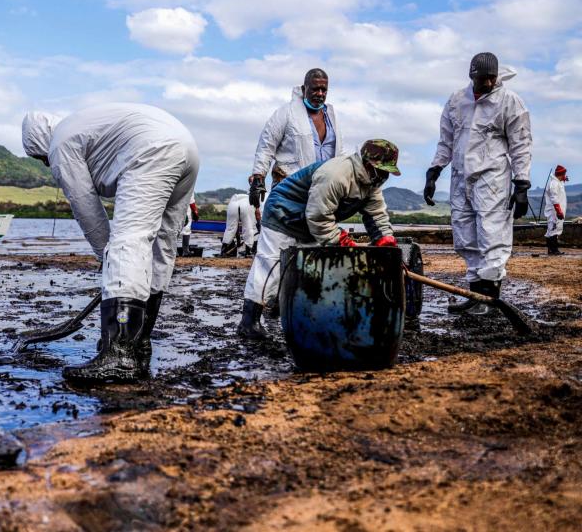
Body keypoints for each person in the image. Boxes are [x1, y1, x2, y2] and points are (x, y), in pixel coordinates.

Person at [21, 103, 199, 384]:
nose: (46, 163)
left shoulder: (60, 144)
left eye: (41, 158)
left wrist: (110, 260)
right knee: (161, 246)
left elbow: (87, 209)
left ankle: (119, 354)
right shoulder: (80, 125)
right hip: (187, 148)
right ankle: (137, 344)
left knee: (128, 242)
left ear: (41, 144)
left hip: (151, 150)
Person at [238, 140, 400, 337]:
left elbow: (377, 215)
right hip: (283, 214)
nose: (384, 177)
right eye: (381, 171)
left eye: (387, 173)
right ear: (368, 164)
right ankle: (249, 322)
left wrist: (385, 240)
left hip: (308, 223)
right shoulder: (336, 175)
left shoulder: (371, 185)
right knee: (270, 267)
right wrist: (340, 240)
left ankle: (287, 311)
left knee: (309, 269)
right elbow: (318, 216)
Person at [423, 52, 533, 315]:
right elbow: (446, 140)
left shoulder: (509, 101)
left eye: (491, 79)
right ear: (472, 76)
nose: (486, 83)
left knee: (491, 233)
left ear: (496, 76)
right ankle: (474, 295)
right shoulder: (457, 101)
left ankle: (490, 298)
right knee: (465, 234)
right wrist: (435, 170)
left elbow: (521, 145)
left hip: (492, 177)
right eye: (482, 78)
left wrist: (522, 184)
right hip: (461, 178)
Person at [248, 68, 347, 208]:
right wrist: (258, 177)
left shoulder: (332, 117)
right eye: (315, 89)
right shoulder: (286, 113)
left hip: (322, 192)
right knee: (283, 229)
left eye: (324, 90)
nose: (320, 94)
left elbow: (339, 153)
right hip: (288, 188)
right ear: (304, 88)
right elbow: (266, 145)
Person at [544, 165, 569, 255]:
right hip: (554, 211)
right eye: (564, 174)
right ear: (560, 174)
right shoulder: (554, 184)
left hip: (557, 211)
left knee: (555, 228)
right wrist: (558, 211)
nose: (564, 176)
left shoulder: (557, 182)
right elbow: (554, 198)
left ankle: (553, 249)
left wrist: (564, 179)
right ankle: (553, 250)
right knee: (553, 229)